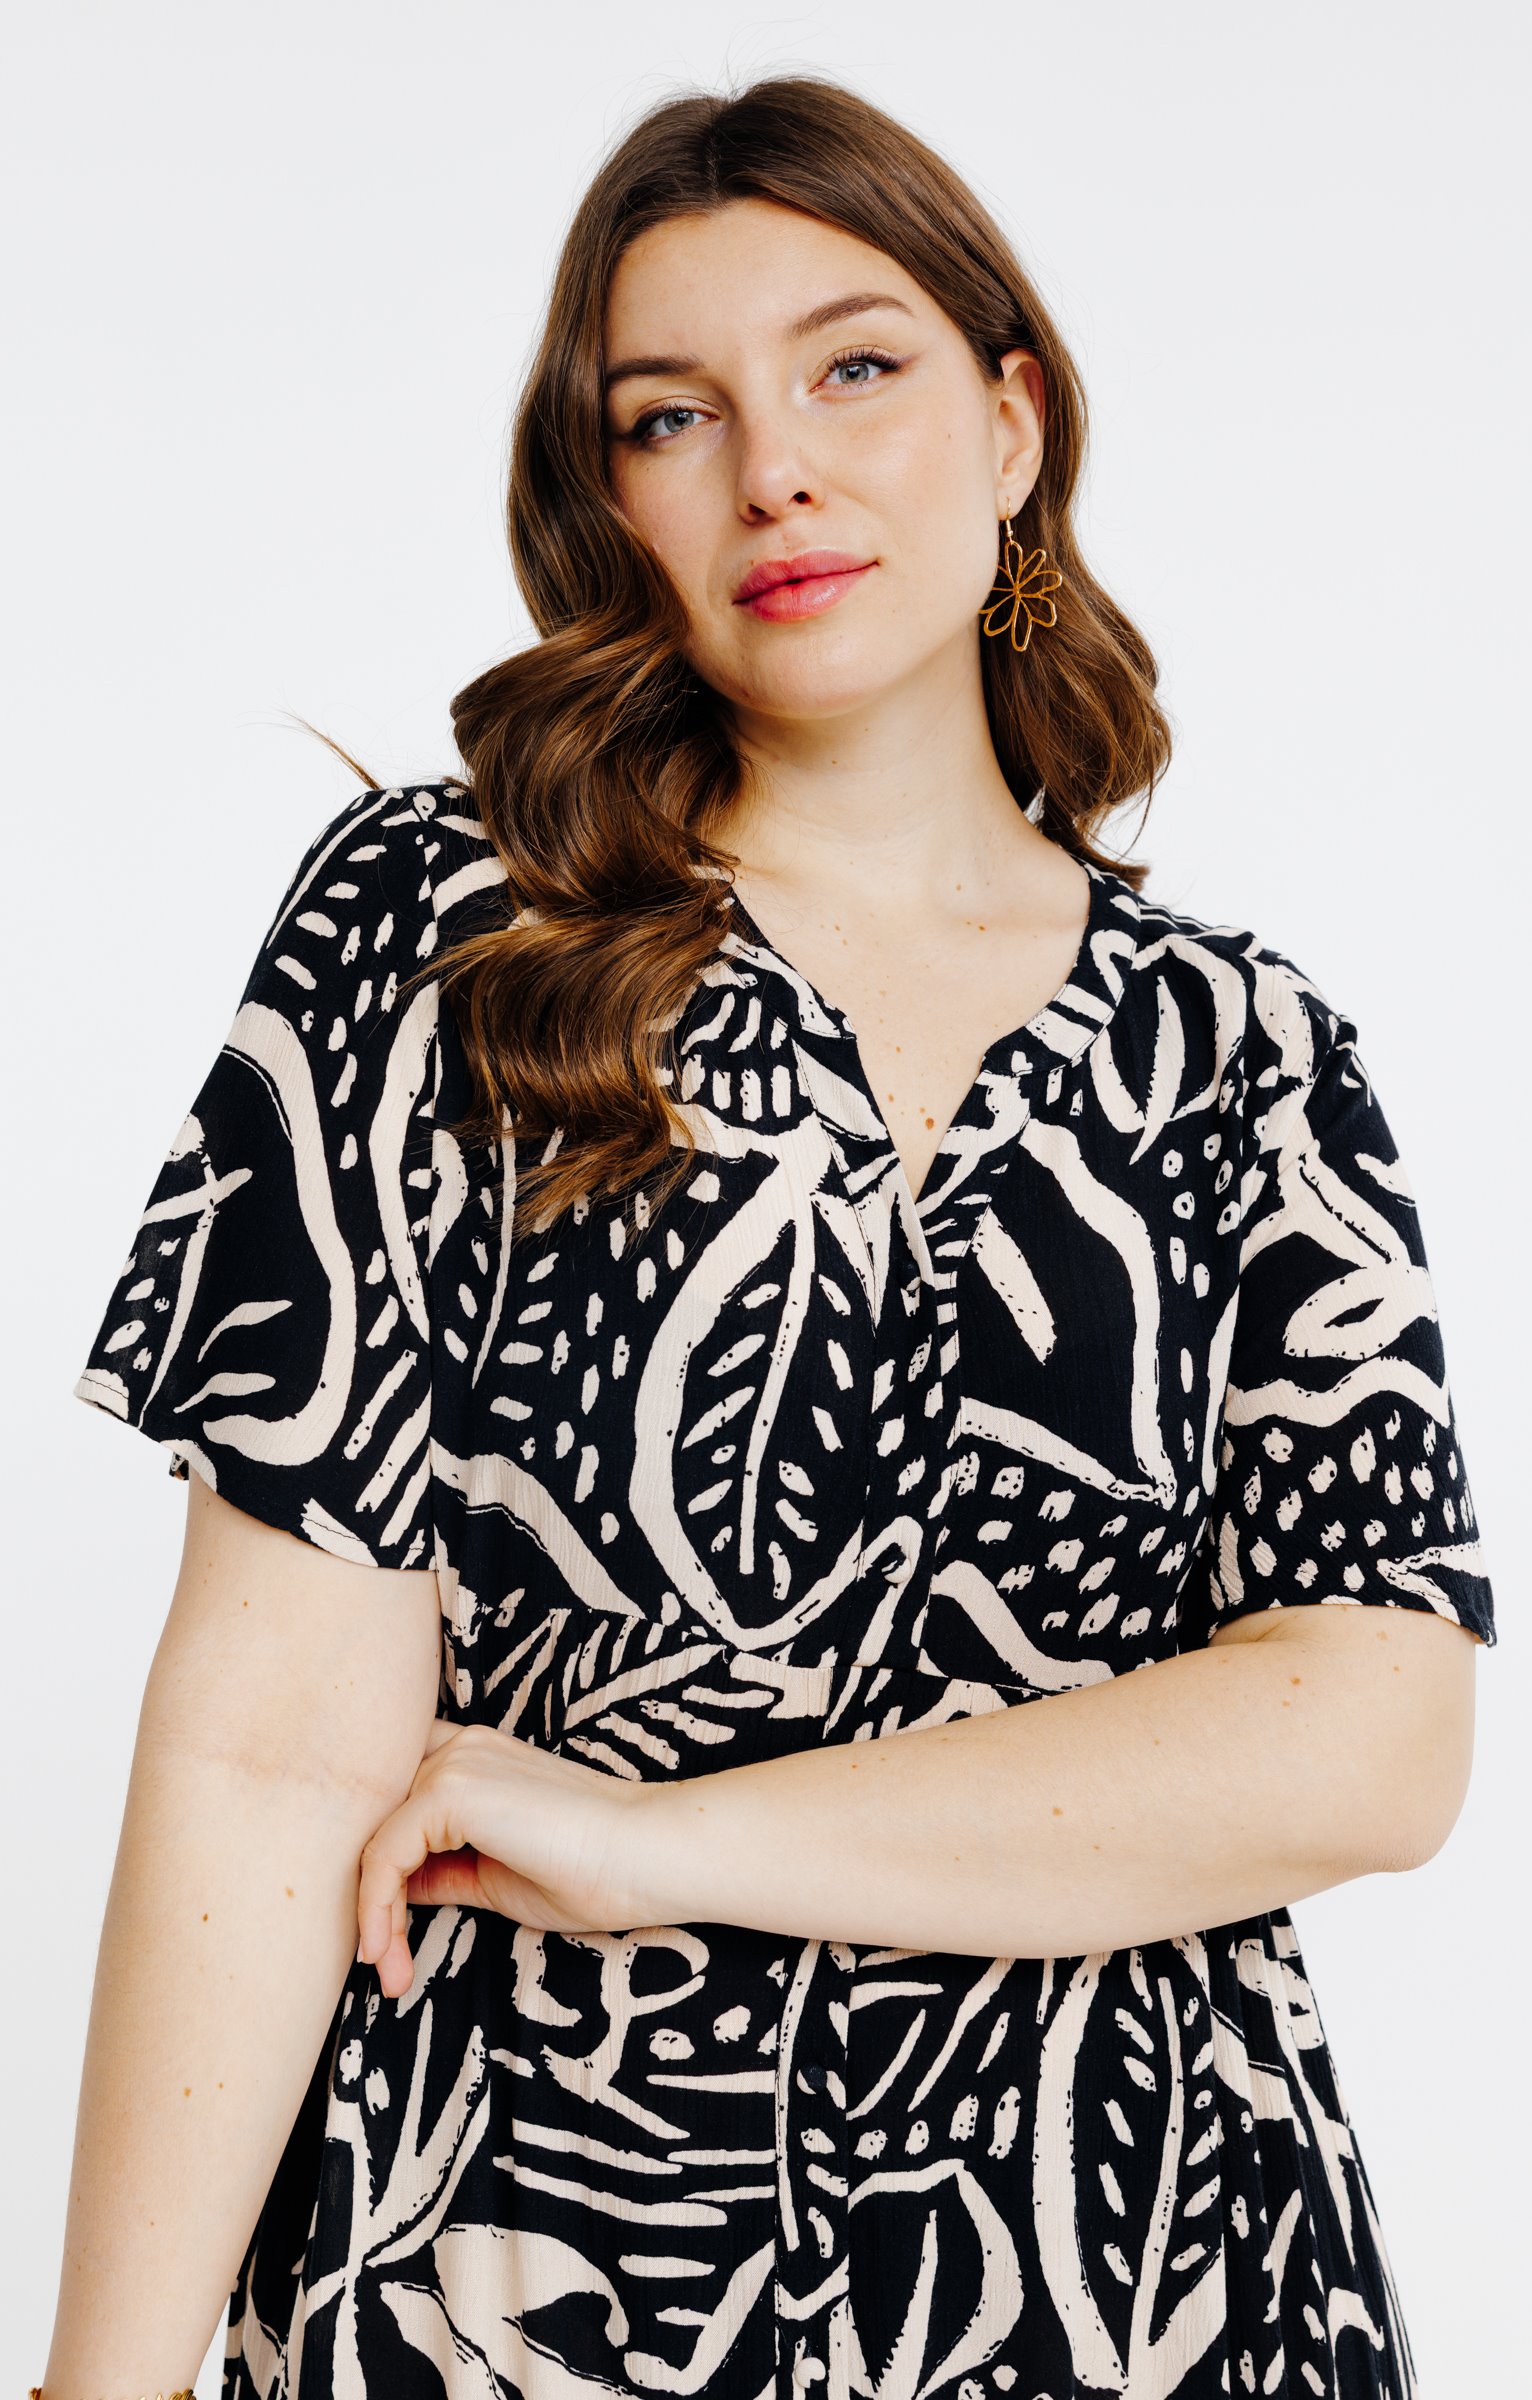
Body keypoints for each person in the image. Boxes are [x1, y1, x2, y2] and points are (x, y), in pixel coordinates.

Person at [43, 71, 1494, 2400]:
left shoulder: (1243, 1054)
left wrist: (665, 1840)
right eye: (671, 414)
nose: (773, 471)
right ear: (606, 497)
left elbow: (1367, 1738)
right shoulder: (453, 939)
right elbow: (266, 1750)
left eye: (852, 369)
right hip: (530, 2263)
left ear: (1010, 424)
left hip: (1150, 2277)